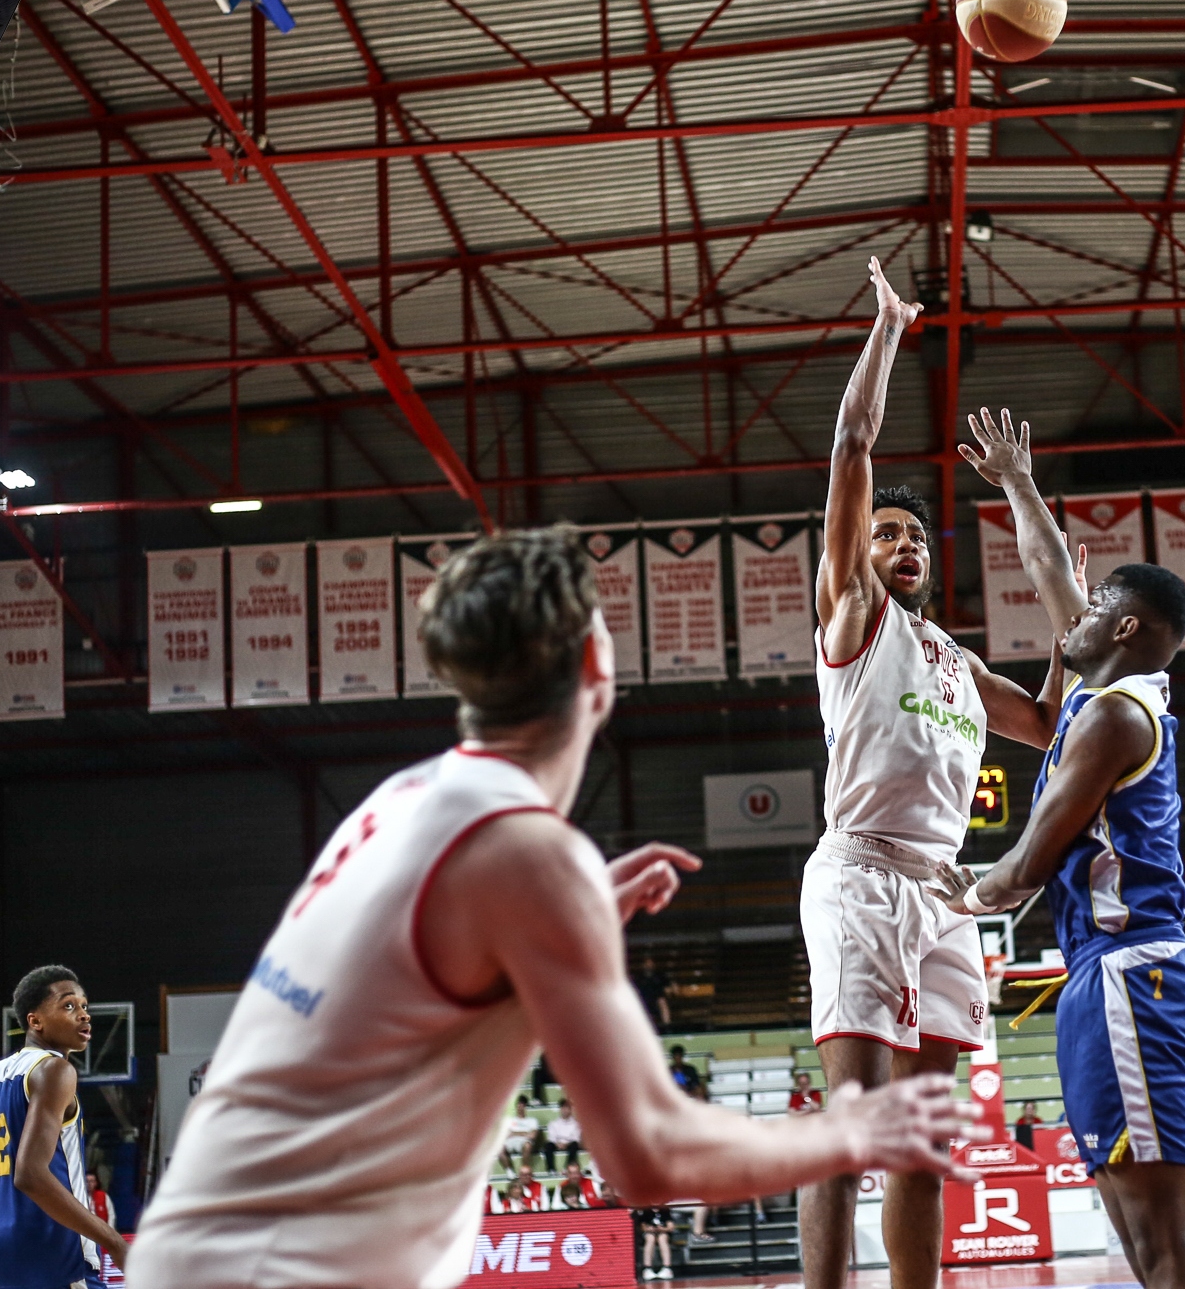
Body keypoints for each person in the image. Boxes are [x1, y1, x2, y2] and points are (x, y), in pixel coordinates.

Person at [127, 529, 979, 1289]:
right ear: (595, 669)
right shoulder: (528, 854)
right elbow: (649, 1155)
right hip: (281, 1264)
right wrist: (854, 1130)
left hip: (203, 1246)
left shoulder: (405, 798)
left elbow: (415, 971)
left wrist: (587, 903)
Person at [803, 271, 1068, 1289]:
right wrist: (887, 329)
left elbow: (1047, 726)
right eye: (884, 534)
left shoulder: (958, 662)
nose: (900, 544)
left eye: (912, 535)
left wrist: (1064, 623)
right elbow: (851, 448)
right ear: (857, 557)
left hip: (945, 890)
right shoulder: (853, 621)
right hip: (860, 874)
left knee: (921, 1144)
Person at [940, 406, 1185, 1289]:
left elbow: (1026, 865)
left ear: (1126, 629)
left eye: (1098, 606)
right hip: (1103, 975)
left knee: (1166, 1237)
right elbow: (1046, 565)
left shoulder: (1118, 716)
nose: (1078, 610)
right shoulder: (1105, 685)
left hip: (1137, 969)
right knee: (1137, 1235)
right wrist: (1018, 480)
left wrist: (955, 891)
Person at [0, 968, 128, 1288]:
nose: (83, 1015)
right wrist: (116, 1243)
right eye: (68, 1006)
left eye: (84, 1006)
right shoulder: (55, 1069)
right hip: (51, 1252)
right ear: (35, 1021)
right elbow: (30, 1175)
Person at [539, 1097, 583, 1172]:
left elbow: (576, 1138)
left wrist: (565, 1144)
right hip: (557, 1144)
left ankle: (568, 1168)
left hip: (570, 1144)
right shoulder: (553, 1123)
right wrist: (557, 1144)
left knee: (574, 1145)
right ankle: (551, 1169)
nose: (565, 1110)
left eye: (567, 1108)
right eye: (563, 1107)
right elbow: (552, 1137)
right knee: (548, 1145)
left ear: (570, 1109)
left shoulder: (576, 1124)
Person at [631, 955, 672, 1030]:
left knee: (662, 1002)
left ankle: (667, 1026)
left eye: (650, 963)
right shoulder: (639, 977)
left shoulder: (660, 975)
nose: (648, 965)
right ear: (643, 965)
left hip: (658, 996)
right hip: (644, 997)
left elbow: (667, 987)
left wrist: (668, 990)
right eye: (647, 963)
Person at [637, 1203, 675, 1281]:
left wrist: (662, 1229)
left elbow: (670, 1227)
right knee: (650, 1238)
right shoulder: (646, 1210)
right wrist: (649, 1229)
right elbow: (643, 1226)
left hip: (663, 1232)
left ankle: (667, 1267)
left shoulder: (665, 1210)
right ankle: (647, 1268)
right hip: (650, 1233)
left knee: (663, 1238)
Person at [503, 1096, 539, 1174]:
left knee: (527, 1145)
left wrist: (514, 1133)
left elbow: (533, 1136)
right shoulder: (510, 1120)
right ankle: (509, 1171)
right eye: (518, 1105)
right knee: (499, 1148)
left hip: (523, 1142)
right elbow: (506, 1135)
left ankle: (524, 1171)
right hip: (511, 1142)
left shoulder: (532, 1121)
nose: (520, 1108)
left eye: (522, 1106)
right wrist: (524, 1133)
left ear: (525, 1107)